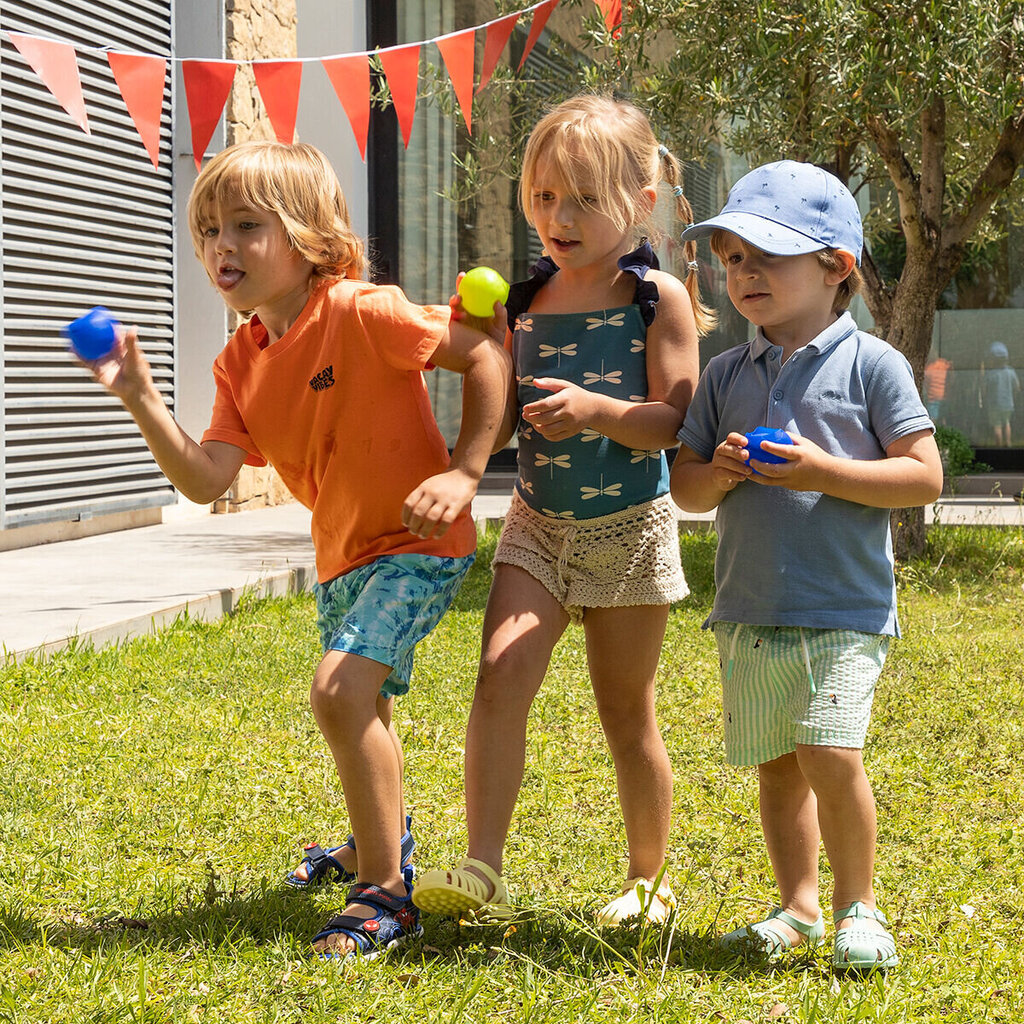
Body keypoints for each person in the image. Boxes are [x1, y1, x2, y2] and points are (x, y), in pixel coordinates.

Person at [80, 141, 510, 959]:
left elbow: (482, 352)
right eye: (208, 229)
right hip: (343, 552)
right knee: (366, 706)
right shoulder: (239, 361)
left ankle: (384, 895)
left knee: (340, 692)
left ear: (310, 236)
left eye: (246, 225)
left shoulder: (361, 309)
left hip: (419, 543)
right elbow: (206, 478)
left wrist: (464, 472)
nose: (221, 246)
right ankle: (376, 835)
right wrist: (140, 397)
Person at [411, 94, 714, 927]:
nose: (559, 217)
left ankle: (648, 882)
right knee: (500, 676)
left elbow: (671, 423)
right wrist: (466, 353)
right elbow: (502, 414)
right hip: (538, 523)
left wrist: (596, 411)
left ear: (641, 202)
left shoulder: (658, 298)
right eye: (545, 197)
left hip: (629, 529)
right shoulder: (524, 299)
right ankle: (482, 868)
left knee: (625, 707)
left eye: (583, 198)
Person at [670, 160, 943, 971]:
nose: (744, 274)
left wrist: (823, 471)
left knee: (830, 752)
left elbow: (923, 474)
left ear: (837, 268)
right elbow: (685, 491)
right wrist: (718, 470)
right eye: (731, 259)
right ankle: (797, 908)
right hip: (750, 608)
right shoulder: (725, 374)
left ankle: (861, 905)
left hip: (844, 607)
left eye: (768, 256)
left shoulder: (873, 365)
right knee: (779, 766)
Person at [983, 341, 1019, 446]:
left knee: (997, 425)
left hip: (994, 404)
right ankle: (1008, 443)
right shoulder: (1011, 371)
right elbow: (1016, 387)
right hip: (1008, 404)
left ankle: (998, 446)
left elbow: (985, 389)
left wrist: (985, 399)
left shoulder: (991, 374)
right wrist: (1013, 397)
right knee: (1007, 423)